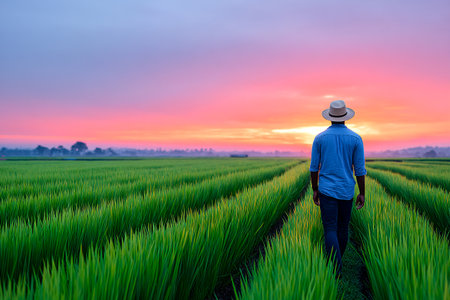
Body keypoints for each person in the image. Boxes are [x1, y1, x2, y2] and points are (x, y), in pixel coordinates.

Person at [309, 99, 366, 277]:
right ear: (345, 117)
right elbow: (360, 169)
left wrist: (315, 189)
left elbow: (313, 167)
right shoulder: (356, 139)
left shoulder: (320, 138)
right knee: (343, 228)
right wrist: (362, 193)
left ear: (330, 117)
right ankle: (338, 262)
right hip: (347, 191)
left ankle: (335, 268)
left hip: (327, 191)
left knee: (330, 229)